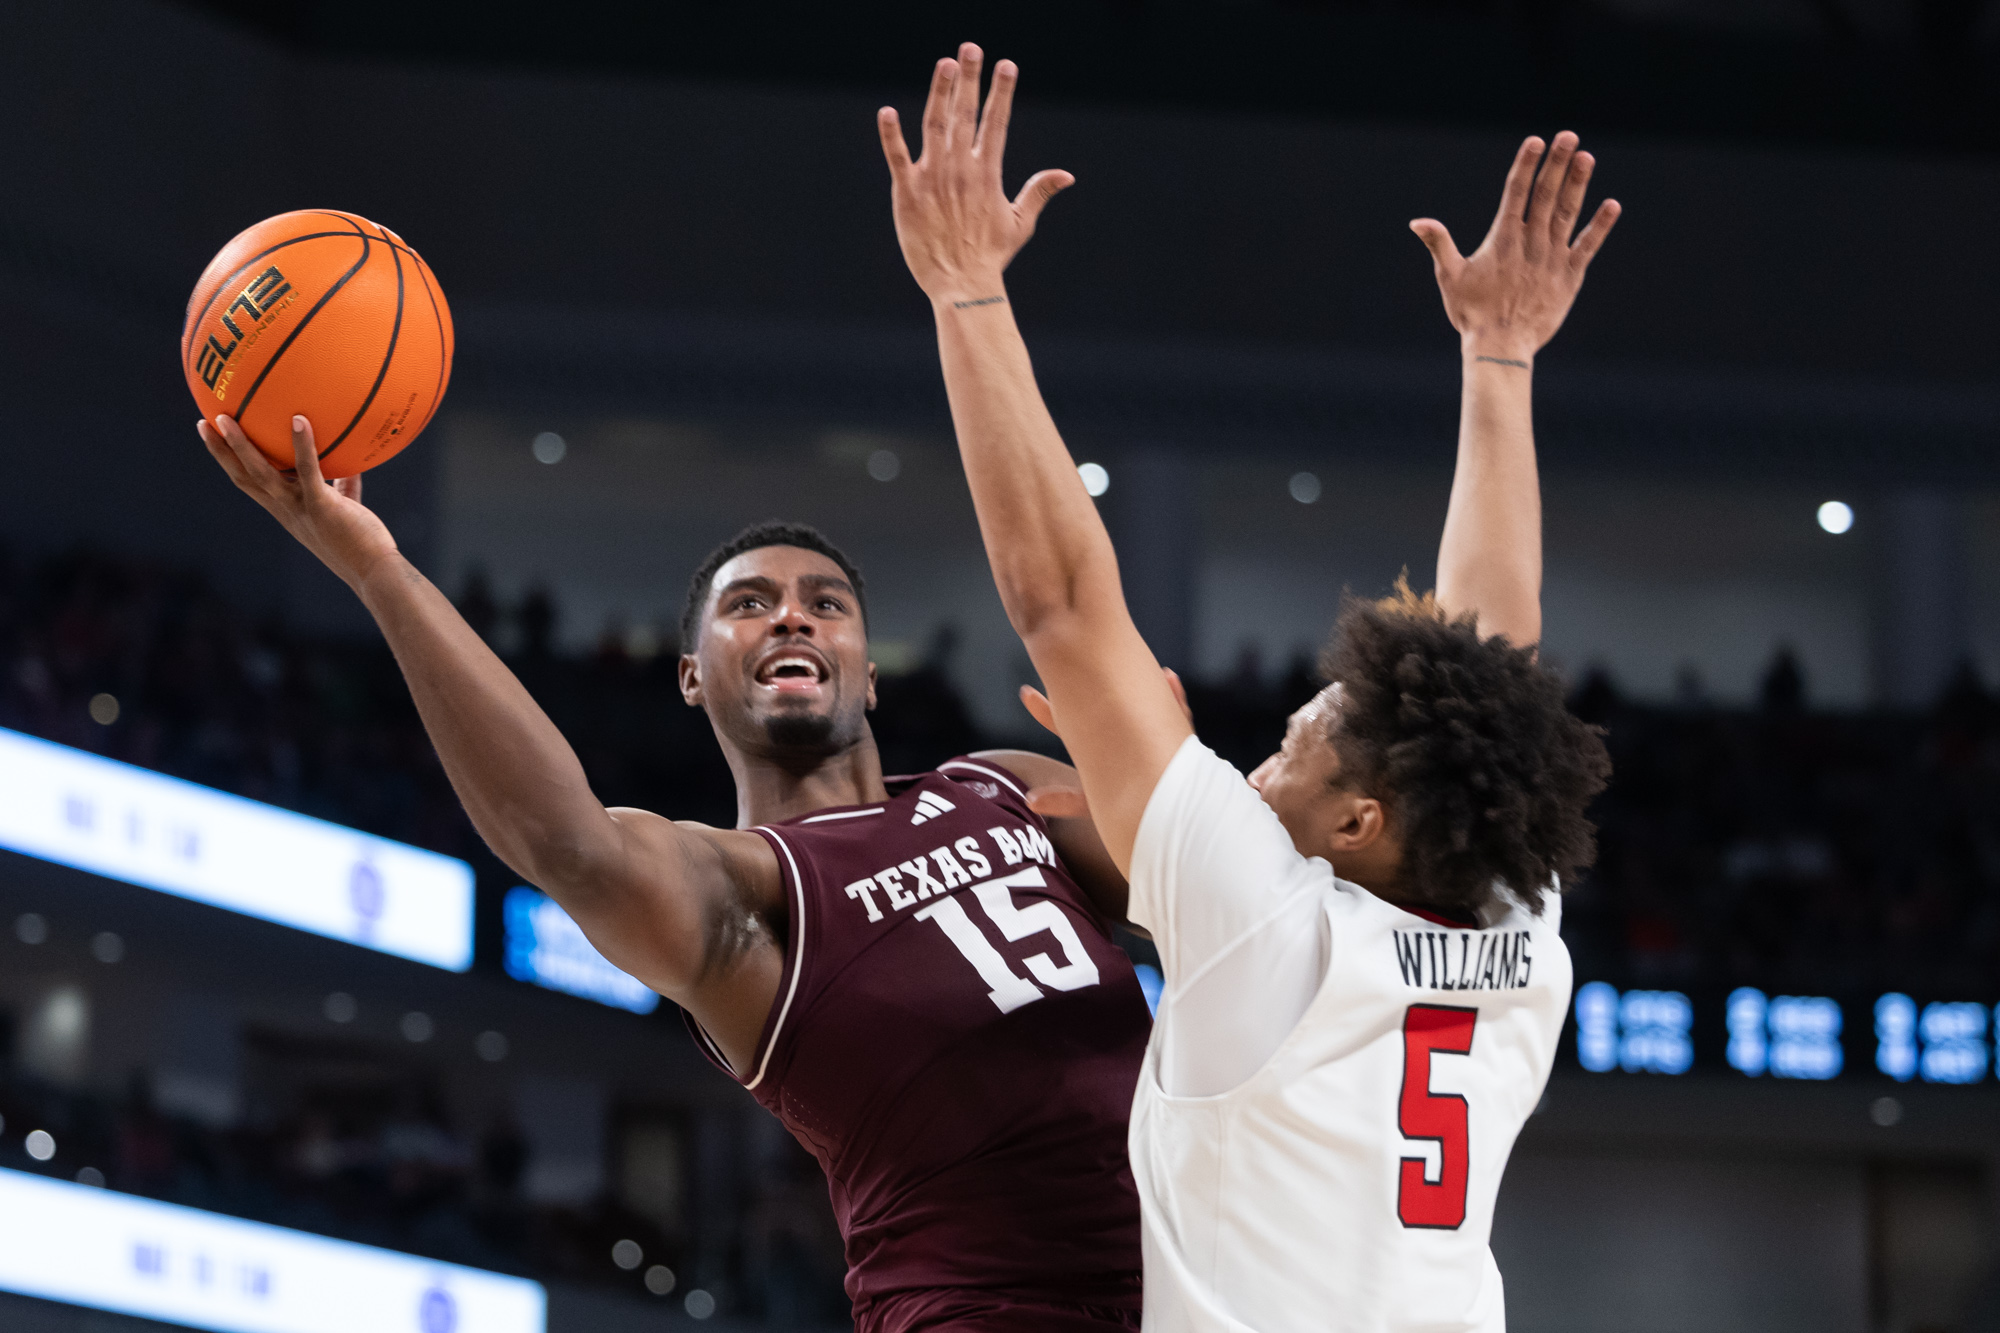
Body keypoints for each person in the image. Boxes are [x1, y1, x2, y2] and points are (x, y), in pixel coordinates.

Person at [879, 44, 1616, 1332]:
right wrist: (1498, 360)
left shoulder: (1265, 922)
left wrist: (963, 293)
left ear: (1356, 826)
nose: (1255, 764)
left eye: (1290, 748)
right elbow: (1493, 648)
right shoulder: (1510, 918)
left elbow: (1060, 598)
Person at [196, 500, 1153, 1320]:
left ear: (869, 672)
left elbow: (1234, 903)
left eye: (827, 604)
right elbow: (566, 841)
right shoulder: (738, 887)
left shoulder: (1003, 783)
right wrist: (379, 568)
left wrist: (1171, 776)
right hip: (989, 1309)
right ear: (692, 673)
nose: (792, 618)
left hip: (1211, 1276)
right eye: (750, 604)